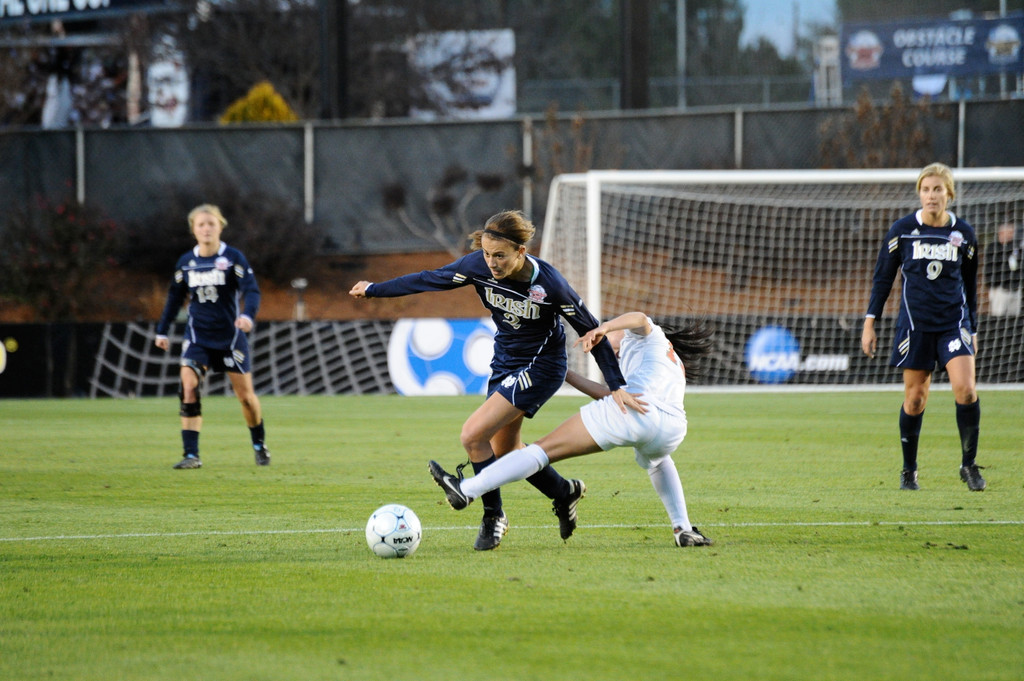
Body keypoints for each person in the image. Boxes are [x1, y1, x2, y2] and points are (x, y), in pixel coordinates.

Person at [350, 210, 639, 550]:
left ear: (521, 251)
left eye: (499, 255)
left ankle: (493, 517)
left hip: (542, 366)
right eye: (487, 254)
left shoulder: (551, 285)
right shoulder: (476, 267)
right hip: (505, 361)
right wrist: (374, 290)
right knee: (504, 451)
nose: (491, 263)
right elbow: (430, 279)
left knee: (473, 434)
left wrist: (616, 384)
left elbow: (593, 331)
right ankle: (564, 491)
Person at [429, 311, 715, 548]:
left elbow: (639, 318)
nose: (608, 350)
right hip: (671, 428)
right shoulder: (666, 359)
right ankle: (683, 529)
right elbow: (613, 396)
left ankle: (466, 489)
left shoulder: (646, 335)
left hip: (639, 415)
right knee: (658, 461)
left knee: (541, 450)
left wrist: (604, 327)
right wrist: (562, 371)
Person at [861, 163, 984, 491]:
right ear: (919, 193)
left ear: (949, 194)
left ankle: (968, 465)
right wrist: (869, 322)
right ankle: (909, 470)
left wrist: (972, 326)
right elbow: (883, 278)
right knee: (915, 399)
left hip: (953, 323)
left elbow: (970, 284)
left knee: (967, 390)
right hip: (915, 326)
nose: (931, 195)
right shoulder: (902, 230)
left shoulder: (964, 234)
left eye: (938, 189)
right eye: (926, 189)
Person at [154, 204, 270, 470]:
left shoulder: (232, 257)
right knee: (188, 387)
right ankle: (191, 454)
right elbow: (174, 298)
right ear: (193, 230)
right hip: (197, 337)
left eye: (211, 224)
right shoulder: (186, 262)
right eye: (201, 225)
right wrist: (162, 329)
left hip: (230, 338)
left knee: (246, 399)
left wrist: (248, 316)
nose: (206, 229)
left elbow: (251, 290)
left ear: (220, 226)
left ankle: (258, 445)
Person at [984, 222, 1021, 317]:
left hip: (1015, 288)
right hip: (999, 289)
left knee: (1014, 317)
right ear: (1001, 233)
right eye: (1009, 232)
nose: (1012, 235)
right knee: (999, 316)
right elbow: (991, 268)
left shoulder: (1016, 247)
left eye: (1012, 232)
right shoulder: (993, 248)